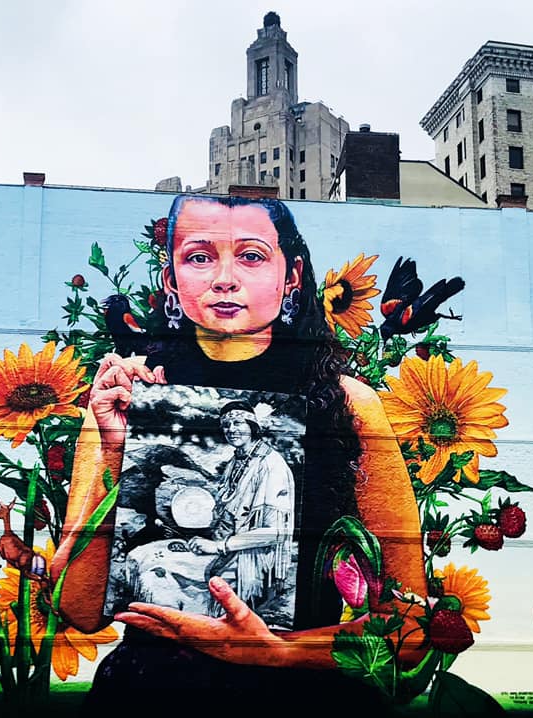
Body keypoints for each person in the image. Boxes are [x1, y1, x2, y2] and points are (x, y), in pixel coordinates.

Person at [49, 195, 426, 710]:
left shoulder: (350, 406)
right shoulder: (128, 392)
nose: (224, 279)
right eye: (200, 257)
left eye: (251, 256)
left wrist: (279, 652)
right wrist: (117, 454)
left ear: (291, 276)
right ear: (171, 280)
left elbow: (411, 627)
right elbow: (78, 607)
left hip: (301, 701)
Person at [189, 400, 295, 617]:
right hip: (231, 550)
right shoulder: (236, 462)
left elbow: (276, 532)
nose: (231, 430)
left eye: (238, 423)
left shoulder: (271, 465)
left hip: (255, 561)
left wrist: (218, 546)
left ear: (253, 426)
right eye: (226, 425)